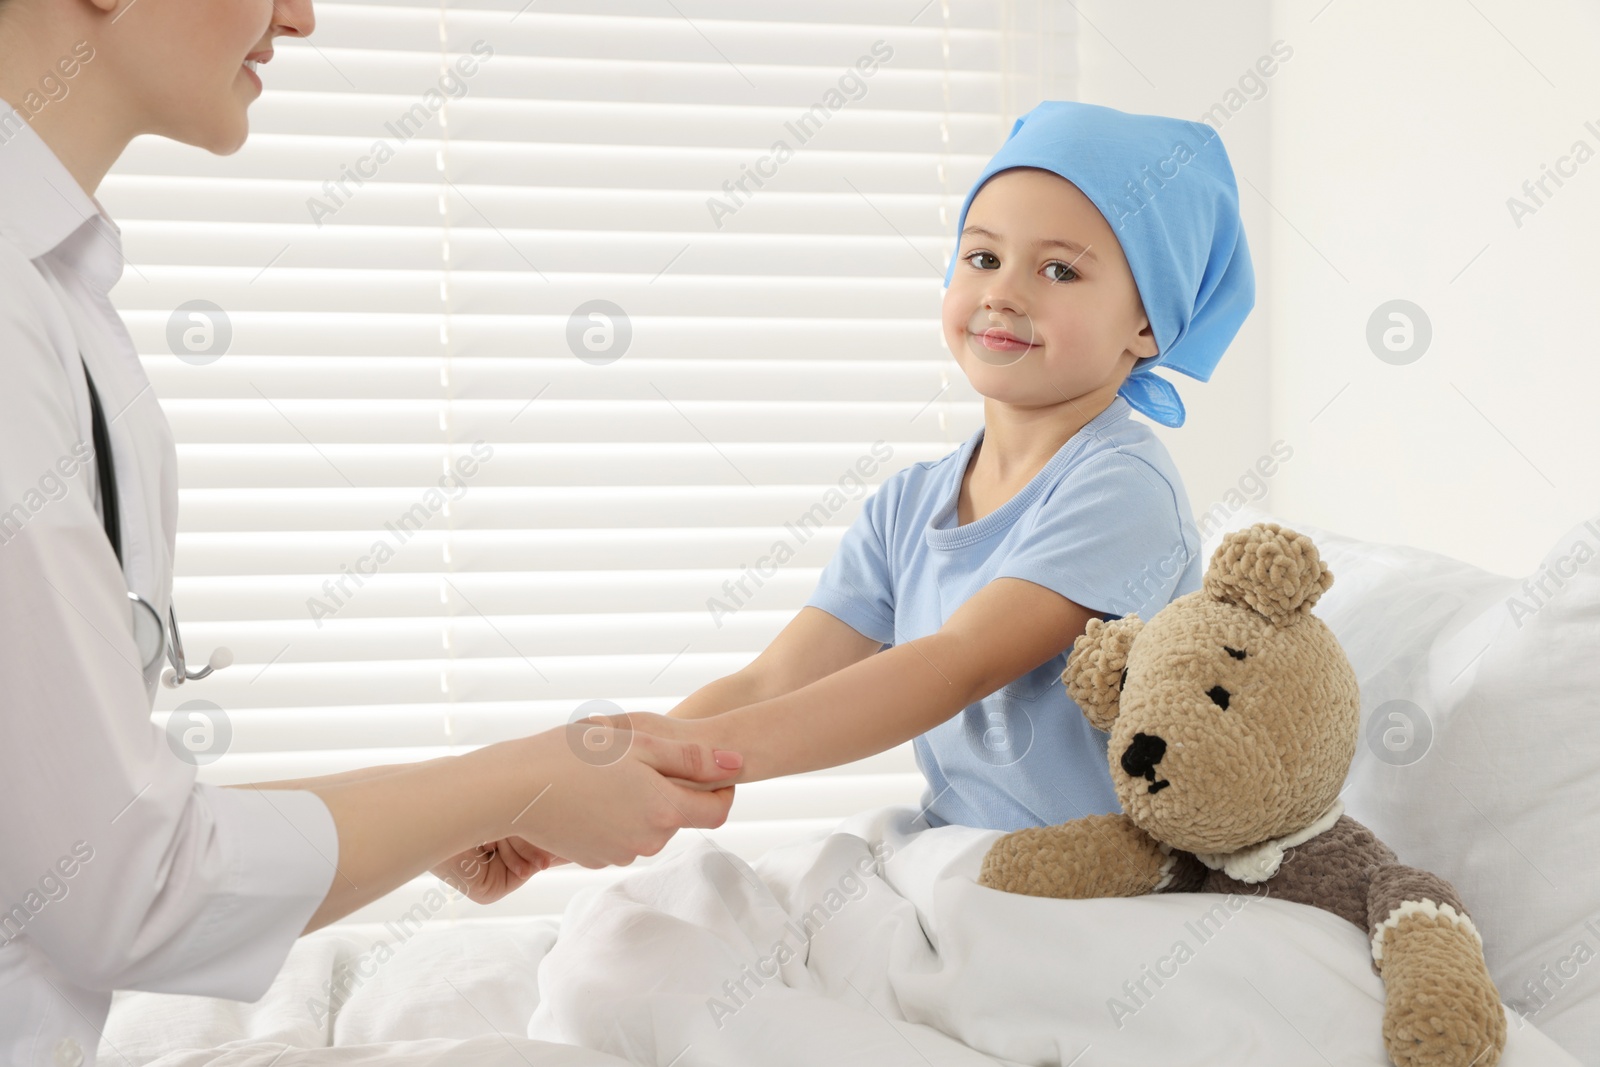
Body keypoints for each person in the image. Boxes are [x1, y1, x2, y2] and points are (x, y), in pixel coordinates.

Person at [0, 1, 740, 1061]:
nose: (298, 16)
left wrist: (451, 806)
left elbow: (69, 827)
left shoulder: (52, 287)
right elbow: (121, 885)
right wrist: (508, 785)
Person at [647, 101, 1256, 831]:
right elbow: (771, 680)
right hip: (959, 858)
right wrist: (615, 767)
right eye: (983, 257)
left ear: (1149, 323)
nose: (1003, 292)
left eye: (1059, 269)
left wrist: (702, 755)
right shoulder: (908, 504)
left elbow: (955, 664)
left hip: (1098, 889)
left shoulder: (1121, 488)